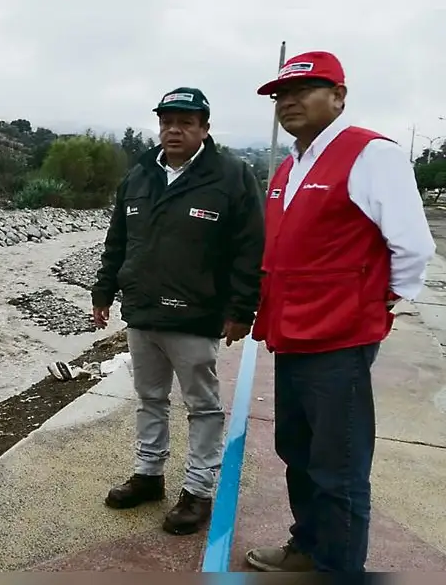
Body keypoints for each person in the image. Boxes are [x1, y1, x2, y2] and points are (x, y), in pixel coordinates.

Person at [244, 51, 436, 573]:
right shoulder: (290, 165)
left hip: (339, 338)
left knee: (340, 466)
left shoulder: (371, 154)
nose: (288, 103)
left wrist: (377, 303)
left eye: (302, 90)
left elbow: (413, 247)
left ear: (339, 96)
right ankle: (308, 546)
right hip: (292, 333)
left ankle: (339, 569)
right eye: (280, 95)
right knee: (298, 453)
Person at [91, 86, 265, 536]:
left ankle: (197, 491)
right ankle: (148, 476)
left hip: (196, 315)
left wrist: (242, 309)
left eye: (186, 122)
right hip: (143, 313)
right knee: (149, 400)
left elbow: (250, 249)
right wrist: (103, 291)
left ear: (204, 128)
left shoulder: (231, 176)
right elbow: (117, 241)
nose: (174, 130)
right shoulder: (139, 176)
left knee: (202, 406)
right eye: (167, 121)